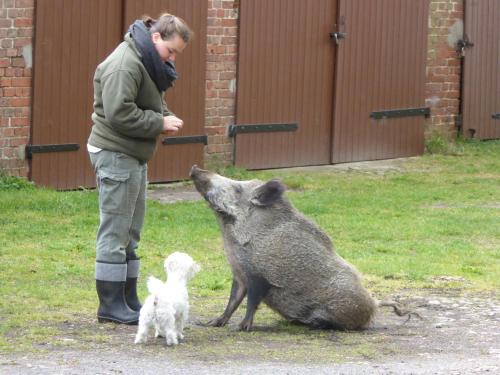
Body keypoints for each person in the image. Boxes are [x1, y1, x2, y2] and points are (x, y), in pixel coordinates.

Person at [87, 13, 192, 324]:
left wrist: (165, 116)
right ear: (155, 37)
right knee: (115, 231)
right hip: (115, 153)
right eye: (171, 51)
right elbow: (119, 113)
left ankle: (127, 298)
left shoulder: (146, 60)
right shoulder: (125, 64)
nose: (172, 59)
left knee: (131, 231)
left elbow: (150, 101)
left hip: (133, 154)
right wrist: (159, 123)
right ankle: (110, 305)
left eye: (177, 54)